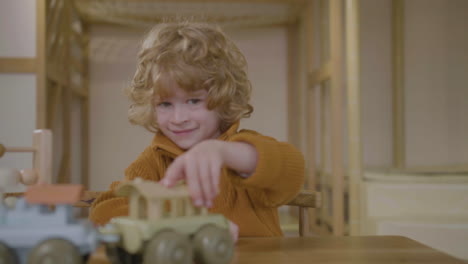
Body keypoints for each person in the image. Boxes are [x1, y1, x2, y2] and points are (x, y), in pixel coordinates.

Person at [89, 22, 305, 238]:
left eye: (193, 101)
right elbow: (104, 210)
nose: (179, 118)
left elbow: (292, 172)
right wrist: (180, 226)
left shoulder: (245, 147)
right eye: (165, 104)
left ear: (223, 99)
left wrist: (225, 153)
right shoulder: (152, 162)